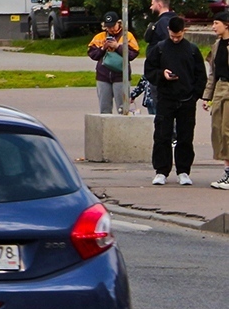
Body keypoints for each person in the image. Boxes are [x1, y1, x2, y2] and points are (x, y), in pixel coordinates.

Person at [144, 15, 207, 185]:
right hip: (166, 98)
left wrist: (195, 96)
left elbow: (200, 75)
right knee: (162, 135)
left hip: (187, 99)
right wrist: (162, 74)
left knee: (185, 136)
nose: (175, 39)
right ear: (168, 31)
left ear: (184, 31)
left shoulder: (192, 50)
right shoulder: (160, 48)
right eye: (172, 36)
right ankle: (161, 171)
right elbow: (149, 70)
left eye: (178, 36)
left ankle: (183, 171)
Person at [87, 12, 139, 114]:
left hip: (121, 76)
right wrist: (103, 48)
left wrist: (117, 47)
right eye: (108, 26)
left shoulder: (127, 36)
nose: (110, 29)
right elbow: (92, 54)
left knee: (123, 109)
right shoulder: (99, 37)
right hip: (103, 76)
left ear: (118, 23)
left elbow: (133, 54)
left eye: (113, 26)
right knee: (104, 109)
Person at [202, 12, 229, 190]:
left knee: (227, 130)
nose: (213, 27)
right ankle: (227, 171)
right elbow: (213, 73)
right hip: (220, 88)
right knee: (218, 130)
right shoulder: (217, 45)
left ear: (226, 24)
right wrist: (207, 96)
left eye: (216, 23)